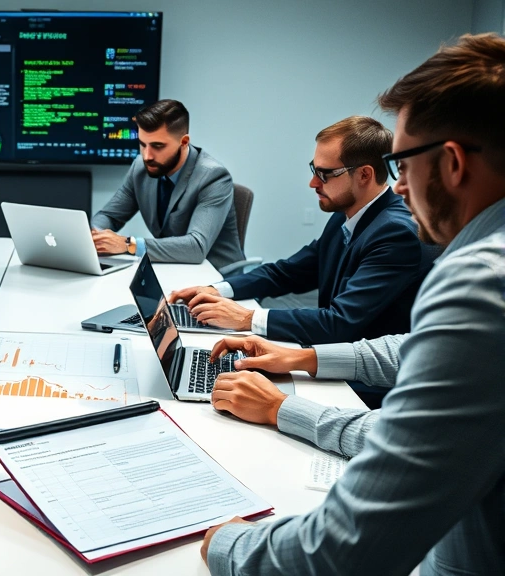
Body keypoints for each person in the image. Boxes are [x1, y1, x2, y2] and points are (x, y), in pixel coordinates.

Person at [201, 33, 505, 575]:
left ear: (454, 164)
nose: (401, 184)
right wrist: (294, 371)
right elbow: (407, 361)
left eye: (404, 162)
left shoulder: (478, 282)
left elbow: (347, 550)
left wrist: (228, 543)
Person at [170, 116, 434, 346]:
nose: (313, 183)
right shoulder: (347, 214)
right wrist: (218, 290)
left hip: (361, 383)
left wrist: (247, 318)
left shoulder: (395, 233)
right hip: (331, 353)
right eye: (313, 170)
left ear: (364, 175)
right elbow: (288, 272)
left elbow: (340, 323)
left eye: (324, 174)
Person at [90, 99, 244, 270]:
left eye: (158, 146)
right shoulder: (140, 168)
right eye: (142, 144)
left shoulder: (213, 176)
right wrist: (95, 236)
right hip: (169, 269)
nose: (147, 156)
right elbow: (110, 216)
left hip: (215, 277)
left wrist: (129, 244)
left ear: (184, 142)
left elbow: (196, 247)